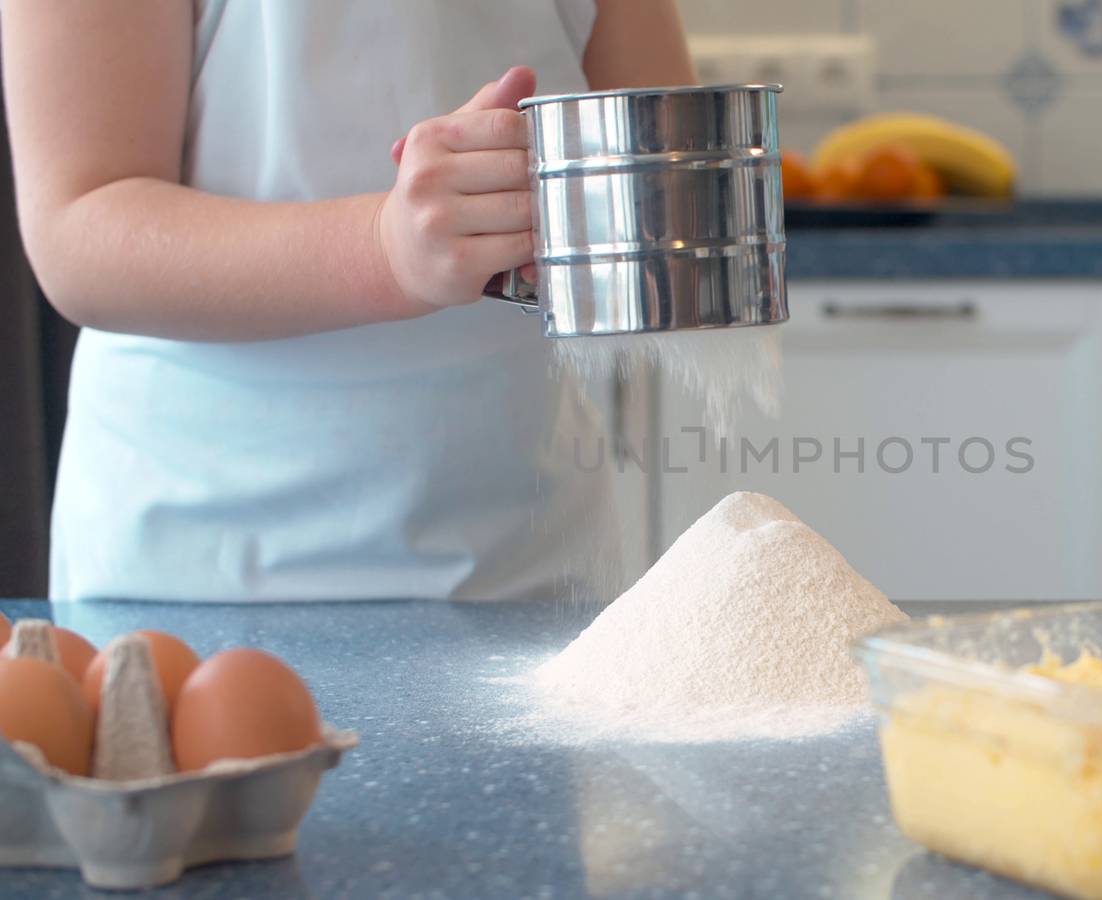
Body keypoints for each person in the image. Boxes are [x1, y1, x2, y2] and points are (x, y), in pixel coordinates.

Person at [2, 0, 695, 601]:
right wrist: (384, 249)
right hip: (200, 576)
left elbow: (664, 175)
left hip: (531, 566)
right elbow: (80, 224)